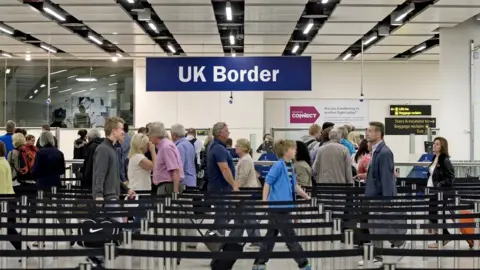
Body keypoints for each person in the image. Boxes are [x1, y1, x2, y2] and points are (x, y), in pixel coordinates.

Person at [252, 139, 311, 270]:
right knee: (290, 235)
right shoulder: (278, 165)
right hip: (278, 207)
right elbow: (267, 182)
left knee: (271, 235)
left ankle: (259, 262)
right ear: (286, 151)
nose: (295, 151)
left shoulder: (290, 165)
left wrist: (306, 196)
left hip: (284, 206)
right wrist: (264, 201)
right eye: (293, 148)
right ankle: (303, 262)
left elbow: (294, 185)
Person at [359, 121, 407, 267]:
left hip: (380, 196)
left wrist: (387, 199)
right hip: (374, 194)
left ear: (379, 133)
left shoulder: (385, 152)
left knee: (380, 225)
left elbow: (387, 177)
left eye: (371, 130)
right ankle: (378, 255)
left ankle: (399, 242)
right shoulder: (376, 150)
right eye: (367, 130)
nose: (368, 133)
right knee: (375, 226)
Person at [90, 117, 135, 267]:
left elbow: (113, 177)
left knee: (113, 233)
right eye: (121, 129)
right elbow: (99, 175)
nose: (124, 133)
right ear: (114, 131)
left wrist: (126, 189)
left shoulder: (112, 149)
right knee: (116, 233)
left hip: (112, 196)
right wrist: (98, 195)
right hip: (107, 199)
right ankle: (97, 258)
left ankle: (98, 258)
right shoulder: (103, 149)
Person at [206, 122, 238, 235]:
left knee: (221, 215)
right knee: (221, 216)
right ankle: (218, 242)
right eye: (227, 130)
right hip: (221, 188)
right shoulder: (218, 148)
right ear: (220, 133)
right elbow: (224, 169)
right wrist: (234, 185)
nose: (229, 132)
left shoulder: (214, 145)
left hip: (218, 187)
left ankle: (217, 238)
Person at [230, 138, 262, 248]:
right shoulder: (244, 159)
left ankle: (256, 240)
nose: (236, 147)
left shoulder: (245, 160)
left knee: (249, 217)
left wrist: (235, 189)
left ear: (243, 147)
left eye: (238, 145)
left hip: (246, 192)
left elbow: (242, 177)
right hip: (245, 192)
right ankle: (235, 240)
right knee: (240, 217)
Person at [427, 137, 455, 249]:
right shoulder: (434, 158)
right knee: (434, 214)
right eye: (434, 144)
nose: (434, 145)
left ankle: (444, 237)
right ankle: (444, 237)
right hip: (432, 191)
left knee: (435, 214)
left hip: (440, 192)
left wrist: (440, 184)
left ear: (442, 146)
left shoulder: (444, 160)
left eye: (437, 144)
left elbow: (451, 177)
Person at [0, 141, 27, 253]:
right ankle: (24, 249)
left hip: (2, 199)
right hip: (8, 197)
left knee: (9, 229)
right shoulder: (4, 161)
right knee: (8, 228)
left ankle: (24, 249)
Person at [148, 122, 184, 195]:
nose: (148, 136)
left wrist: (175, 193)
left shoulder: (165, 148)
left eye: (150, 134)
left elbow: (175, 170)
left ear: (155, 135)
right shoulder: (164, 146)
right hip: (167, 186)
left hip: (168, 187)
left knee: (165, 206)